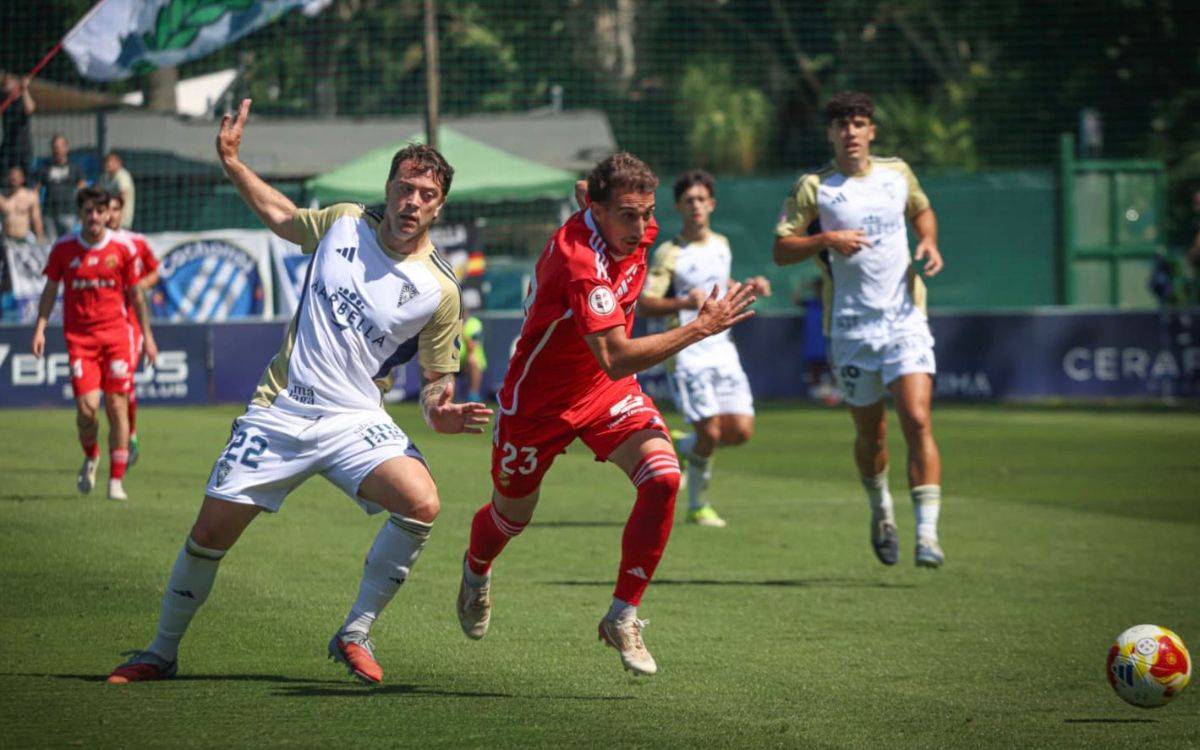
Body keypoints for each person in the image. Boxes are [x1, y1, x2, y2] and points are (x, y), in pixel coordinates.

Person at [106, 99, 491, 686]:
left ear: (441, 205)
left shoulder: (439, 289)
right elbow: (283, 216)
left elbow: (436, 389)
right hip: (282, 408)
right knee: (208, 536)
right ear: (388, 188)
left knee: (422, 503)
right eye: (406, 187)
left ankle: (355, 631)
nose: (413, 201)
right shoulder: (342, 223)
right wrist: (232, 162)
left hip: (356, 418)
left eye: (427, 195)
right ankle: (160, 652)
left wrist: (444, 412)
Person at [455, 153, 756, 677]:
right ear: (597, 210)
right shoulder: (579, 262)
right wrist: (699, 328)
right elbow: (616, 354)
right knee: (510, 518)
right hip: (538, 404)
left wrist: (602, 197)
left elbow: (587, 188)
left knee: (663, 477)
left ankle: (622, 615)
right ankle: (476, 571)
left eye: (647, 214)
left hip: (603, 394)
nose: (642, 230)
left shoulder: (627, 219)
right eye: (628, 216)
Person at [773, 91, 946, 568]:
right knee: (873, 435)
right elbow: (782, 248)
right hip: (849, 327)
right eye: (841, 124)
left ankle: (927, 535)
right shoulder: (816, 187)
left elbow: (921, 210)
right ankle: (881, 510)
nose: (851, 131)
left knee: (916, 418)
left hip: (905, 320)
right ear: (830, 134)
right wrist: (825, 238)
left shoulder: (897, 174)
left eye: (859, 123)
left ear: (872, 131)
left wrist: (928, 239)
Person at [638, 170, 771, 528]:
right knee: (711, 432)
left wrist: (747, 286)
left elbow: (719, 285)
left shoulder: (722, 244)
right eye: (688, 201)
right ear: (679, 208)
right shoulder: (671, 253)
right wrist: (683, 302)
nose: (695, 206)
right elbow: (645, 302)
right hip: (688, 348)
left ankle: (684, 445)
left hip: (722, 347)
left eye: (701, 199)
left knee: (740, 432)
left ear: (711, 204)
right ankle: (697, 506)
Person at [30, 186, 157, 502]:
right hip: (80, 341)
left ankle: (116, 481)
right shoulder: (64, 249)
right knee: (87, 410)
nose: (95, 217)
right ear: (81, 214)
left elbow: (136, 297)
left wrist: (148, 338)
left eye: (100, 212)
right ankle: (92, 454)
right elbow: (49, 291)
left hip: (115, 338)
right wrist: (40, 328)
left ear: (106, 214)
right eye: (88, 212)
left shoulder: (123, 249)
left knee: (117, 404)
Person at [107, 191, 160, 466]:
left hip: (130, 323)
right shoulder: (93, 245)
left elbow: (155, 271)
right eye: (108, 209)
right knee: (108, 391)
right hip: (103, 323)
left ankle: (131, 437)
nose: (111, 214)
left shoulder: (136, 242)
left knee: (124, 383)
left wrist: (139, 287)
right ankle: (120, 437)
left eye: (116, 209)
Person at [33, 134, 87, 240]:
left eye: (60, 146)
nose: (58, 150)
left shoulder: (75, 168)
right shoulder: (44, 168)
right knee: (51, 246)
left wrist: (82, 211)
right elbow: (35, 190)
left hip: (69, 213)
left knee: (70, 244)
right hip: (49, 214)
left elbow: (83, 190)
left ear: (66, 148)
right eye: (55, 147)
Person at [0, 73, 35, 177]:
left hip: (23, 148)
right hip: (7, 147)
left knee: (26, 177)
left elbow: (30, 109)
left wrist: (24, 89)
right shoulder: (3, 100)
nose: (4, 87)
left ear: (15, 84)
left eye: (7, 84)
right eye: (3, 85)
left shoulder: (22, 99)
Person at [98, 151, 135, 228]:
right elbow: (99, 192)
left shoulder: (123, 176)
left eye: (111, 161)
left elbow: (123, 194)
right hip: (107, 220)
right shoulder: (105, 177)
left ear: (119, 163)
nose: (108, 164)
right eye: (106, 161)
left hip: (121, 222)